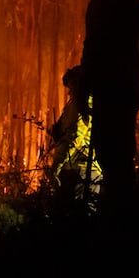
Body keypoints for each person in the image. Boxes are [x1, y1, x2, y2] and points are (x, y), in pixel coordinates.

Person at [78, 0, 139, 219]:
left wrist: (85, 88)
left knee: (112, 157)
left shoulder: (109, 1)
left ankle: (117, 217)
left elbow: (95, 48)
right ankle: (122, 213)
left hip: (113, 91)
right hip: (126, 91)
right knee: (118, 158)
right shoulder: (136, 1)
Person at [48, 65, 101, 213]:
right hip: (93, 169)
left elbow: (73, 137)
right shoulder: (96, 104)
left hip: (77, 170)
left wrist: (56, 166)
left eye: (71, 87)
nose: (69, 92)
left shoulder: (79, 105)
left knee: (76, 217)